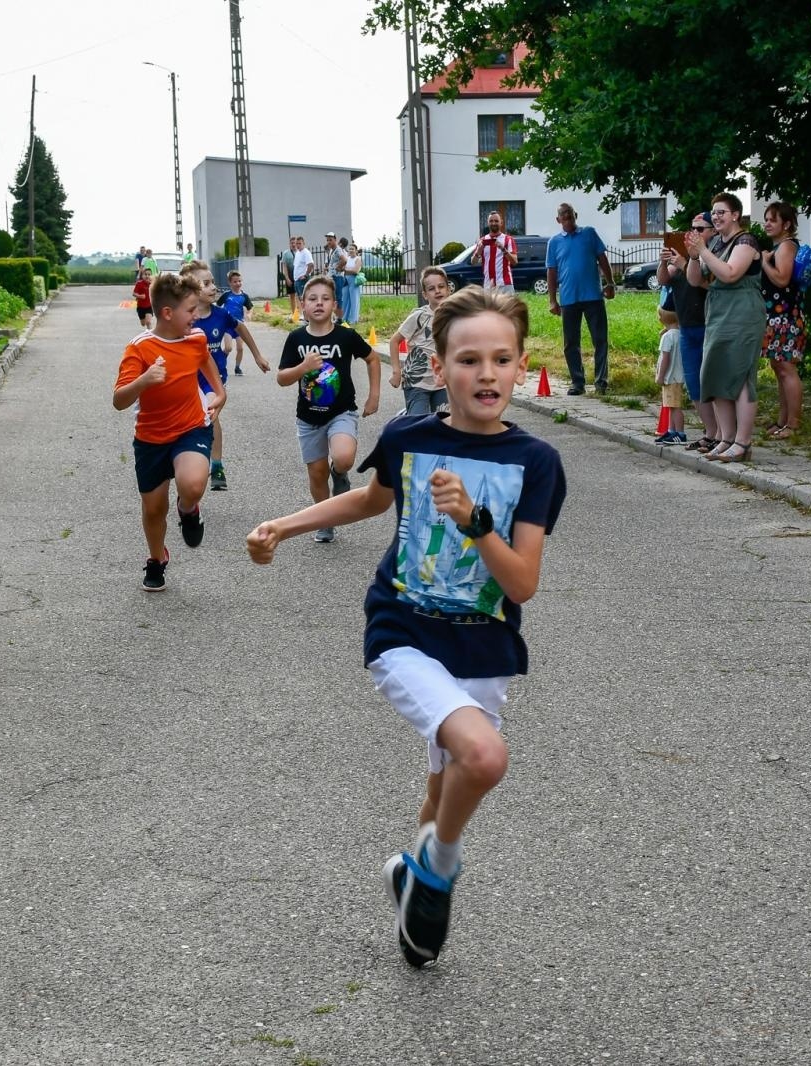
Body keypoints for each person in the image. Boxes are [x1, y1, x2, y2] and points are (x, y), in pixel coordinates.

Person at [245, 287, 567, 969]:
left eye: (502, 359)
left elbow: (522, 585)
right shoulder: (408, 437)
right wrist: (285, 524)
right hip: (404, 629)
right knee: (483, 758)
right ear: (437, 366)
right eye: (469, 359)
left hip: (484, 645)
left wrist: (476, 522)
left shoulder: (536, 463)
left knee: (445, 785)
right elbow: (368, 500)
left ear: (520, 366)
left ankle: (411, 875)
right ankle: (438, 871)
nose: (487, 374)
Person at [112, 272, 225, 592]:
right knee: (154, 508)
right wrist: (144, 381)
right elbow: (119, 400)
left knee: (193, 482)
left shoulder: (196, 339)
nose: (195, 316)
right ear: (167, 313)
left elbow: (206, 363)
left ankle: (188, 508)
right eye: (190, 310)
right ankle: (156, 557)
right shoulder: (140, 348)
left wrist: (219, 393)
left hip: (191, 427)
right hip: (150, 438)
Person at [276, 274, 380, 543]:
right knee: (317, 473)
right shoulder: (296, 339)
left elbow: (372, 359)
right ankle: (324, 520)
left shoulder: (345, 336)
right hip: (308, 419)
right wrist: (302, 368)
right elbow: (282, 378)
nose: (319, 303)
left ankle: (340, 472)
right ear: (303, 304)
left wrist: (374, 396)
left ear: (335, 304)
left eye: (325, 299)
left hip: (341, 412)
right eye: (312, 299)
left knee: (344, 457)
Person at [182, 260, 270, 491]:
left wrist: (257, 356)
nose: (213, 287)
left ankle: (216, 465)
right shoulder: (184, 319)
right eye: (207, 283)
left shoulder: (221, 315)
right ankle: (188, 466)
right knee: (193, 423)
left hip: (213, 380)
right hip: (187, 382)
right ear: (191, 290)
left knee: (211, 417)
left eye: (213, 282)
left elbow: (241, 328)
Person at [692, 193, 764, 462]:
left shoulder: (745, 241)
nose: (717, 216)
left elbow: (731, 273)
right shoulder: (715, 245)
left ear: (735, 215)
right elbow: (695, 280)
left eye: (722, 211)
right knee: (714, 371)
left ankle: (743, 442)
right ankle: (726, 438)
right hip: (719, 312)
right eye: (714, 212)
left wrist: (704, 252)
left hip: (743, 312)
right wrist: (693, 256)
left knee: (740, 374)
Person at [660, 213, 720, 451]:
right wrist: (664, 262)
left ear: (712, 232)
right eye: (691, 228)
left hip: (708, 324)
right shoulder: (682, 257)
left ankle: (722, 433)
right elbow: (664, 279)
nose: (693, 232)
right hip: (686, 327)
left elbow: (710, 284)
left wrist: (687, 264)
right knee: (694, 383)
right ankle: (710, 431)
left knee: (712, 382)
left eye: (700, 228)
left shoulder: (712, 256)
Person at [545, 203, 616, 395]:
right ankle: (577, 382)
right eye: (564, 217)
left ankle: (601, 382)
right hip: (569, 299)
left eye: (570, 216)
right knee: (571, 343)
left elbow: (602, 259)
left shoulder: (589, 233)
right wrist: (552, 300)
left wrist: (610, 283)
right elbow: (551, 272)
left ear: (576, 215)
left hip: (593, 295)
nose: (568, 219)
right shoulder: (554, 242)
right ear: (558, 220)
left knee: (600, 340)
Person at [759, 202, 806, 439]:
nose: (767, 223)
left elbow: (782, 279)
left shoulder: (786, 246)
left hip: (785, 317)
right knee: (779, 367)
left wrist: (765, 263)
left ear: (786, 224)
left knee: (786, 368)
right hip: (776, 316)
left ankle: (793, 423)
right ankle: (783, 420)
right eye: (766, 219)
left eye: (772, 220)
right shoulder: (778, 247)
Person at [391, 266, 451, 415]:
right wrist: (396, 371)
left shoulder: (454, 317)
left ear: (448, 289)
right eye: (431, 289)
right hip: (417, 382)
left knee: (443, 423)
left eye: (441, 286)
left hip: (441, 382)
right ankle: (408, 415)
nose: (437, 291)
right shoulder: (419, 316)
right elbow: (394, 341)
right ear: (425, 294)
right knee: (419, 424)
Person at [654, 305, 686, 445]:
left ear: (662, 318)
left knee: (675, 406)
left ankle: (680, 433)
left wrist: (660, 376)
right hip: (678, 375)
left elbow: (665, 358)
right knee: (671, 406)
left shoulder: (667, 337)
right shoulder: (680, 334)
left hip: (670, 376)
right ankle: (671, 431)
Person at [470, 210, 518, 293]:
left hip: (505, 284)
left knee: (507, 307)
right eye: (491, 221)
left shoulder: (508, 239)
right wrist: (478, 251)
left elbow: (514, 262)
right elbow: (473, 262)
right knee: (488, 307)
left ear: (501, 223)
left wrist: (503, 249)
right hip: (488, 285)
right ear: (488, 223)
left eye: (496, 221)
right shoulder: (482, 240)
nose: (493, 223)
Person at [219, 269, 254, 372]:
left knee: (240, 348)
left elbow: (250, 307)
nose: (238, 283)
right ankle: (221, 362)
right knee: (228, 348)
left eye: (239, 281)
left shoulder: (244, 296)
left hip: (239, 326)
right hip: (227, 325)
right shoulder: (226, 295)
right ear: (230, 283)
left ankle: (237, 367)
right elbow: (217, 306)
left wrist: (249, 314)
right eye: (235, 281)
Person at [343, 242, 364, 325]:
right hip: (346, 281)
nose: (351, 250)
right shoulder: (347, 258)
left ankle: (353, 319)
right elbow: (343, 269)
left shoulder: (358, 259)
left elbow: (355, 271)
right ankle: (345, 317)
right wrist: (347, 271)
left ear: (356, 251)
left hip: (354, 282)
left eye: (352, 249)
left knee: (354, 300)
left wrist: (345, 270)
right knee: (345, 299)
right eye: (350, 249)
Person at [292, 235, 313, 312]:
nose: (297, 245)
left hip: (303, 279)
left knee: (304, 298)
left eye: (299, 243)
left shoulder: (306, 253)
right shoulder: (297, 253)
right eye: (296, 243)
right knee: (300, 298)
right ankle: (303, 314)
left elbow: (311, 265)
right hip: (297, 279)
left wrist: (306, 275)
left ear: (303, 243)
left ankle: (307, 315)